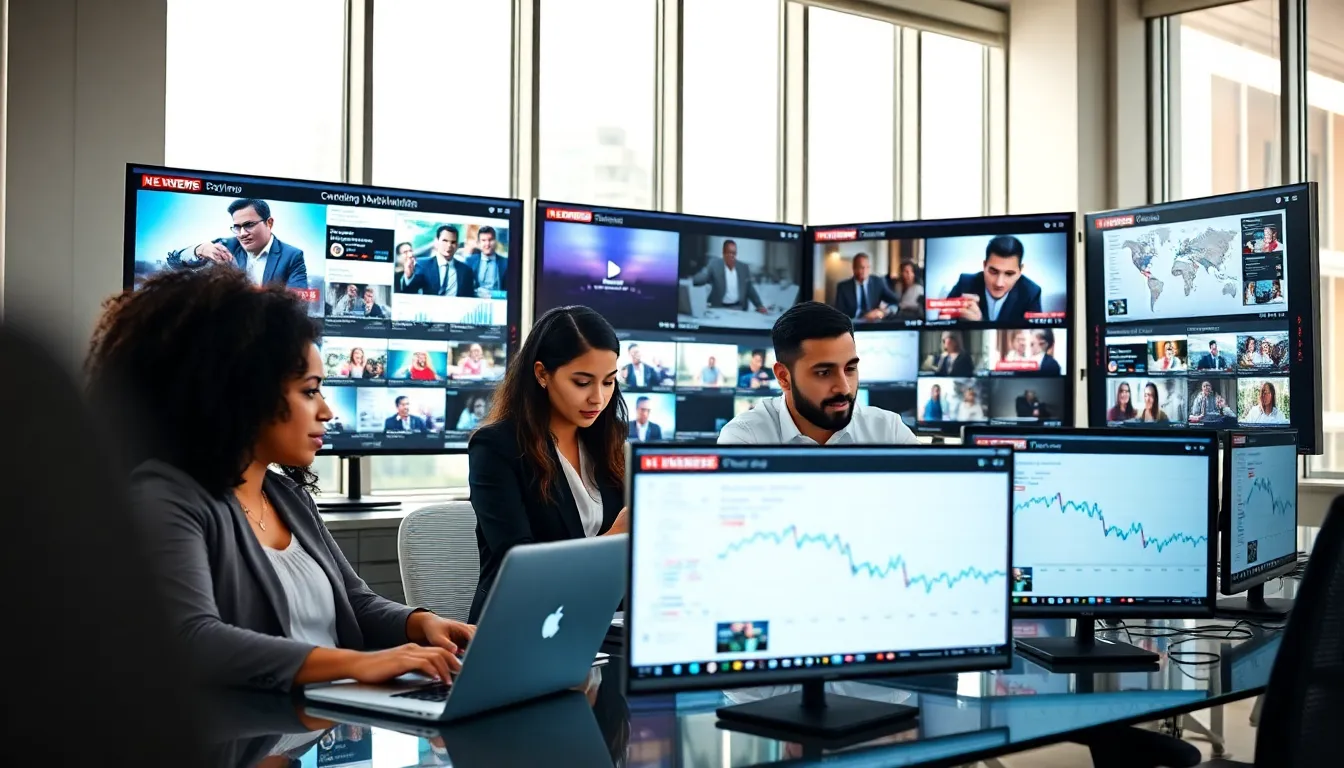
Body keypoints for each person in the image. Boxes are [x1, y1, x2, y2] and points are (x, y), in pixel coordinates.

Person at [87, 268, 471, 692]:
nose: (326, 411)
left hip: (309, 732)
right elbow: (191, 640)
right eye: (310, 391)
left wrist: (420, 623)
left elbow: (355, 602)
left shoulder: (285, 494)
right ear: (241, 392)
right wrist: (355, 665)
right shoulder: (166, 497)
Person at [467, 306, 630, 623]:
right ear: (542, 374)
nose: (598, 398)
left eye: (609, 382)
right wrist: (614, 538)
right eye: (582, 383)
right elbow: (521, 567)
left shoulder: (611, 443)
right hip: (526, 625)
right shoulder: (496, 448)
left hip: (605, 621)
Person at [717, 302, 918, 445]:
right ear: (783, 377)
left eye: (850, 369)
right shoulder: (744, 439)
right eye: (824, 372)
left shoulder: (889, 432)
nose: (844, 387)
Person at [167, 198, 308, 289]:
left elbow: (297, 307)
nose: (242, 233)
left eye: (249, 225)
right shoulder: (226, 246)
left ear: (269, 223)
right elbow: (174, 262)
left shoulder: (292, 256)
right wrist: (200, 249)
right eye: (237, 227)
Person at [944, 235, 1042, 324]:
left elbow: (1033, 335)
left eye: (1009, 274)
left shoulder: (1031, 293)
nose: (999, 283)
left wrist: (980, 323)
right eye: (993, 272)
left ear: (1020, 271)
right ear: (984, 265)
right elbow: (942, 322)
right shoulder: (965, 283)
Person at [690, 239, 769, 313]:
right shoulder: (714, 265)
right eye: (729, 253)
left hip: (738, 308)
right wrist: (703, 273)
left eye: (734, 253)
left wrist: (759, 305)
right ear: (723, 254)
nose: (732, 256)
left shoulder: (743, 268)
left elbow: (750, 289)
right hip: (718, 308)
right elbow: (698, 280)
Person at [833, 253, 902, 321]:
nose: (865, 271)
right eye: (862, 267)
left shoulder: (878, 282)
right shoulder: (843, 287)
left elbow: (895, 301)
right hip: (853, 323)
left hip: (873, 323)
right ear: (854, 268)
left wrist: (883, 312)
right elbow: (838, 312)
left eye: (867, 267)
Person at [415, 225, 477, 298]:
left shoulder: (466, 270)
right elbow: (409, 290)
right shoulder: (422, 265)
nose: (449, 246)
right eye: (445, 241)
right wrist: (408, 277)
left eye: (453, 242)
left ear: (457, 245)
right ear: (436, 242)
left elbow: (469, 297)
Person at [464, 226, 508, 294]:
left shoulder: (505, 263)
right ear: (479, 243)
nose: (487, 244)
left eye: (490, 240)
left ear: (495, 241)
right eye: (483, 240)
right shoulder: (470, 261)